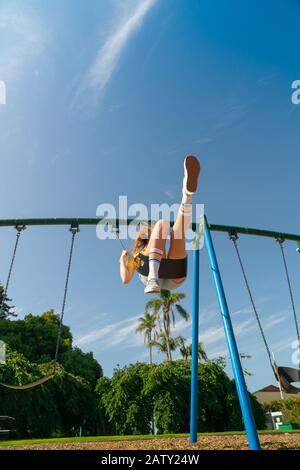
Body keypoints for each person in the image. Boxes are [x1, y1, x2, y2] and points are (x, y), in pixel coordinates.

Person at [119, 155, 201, 294]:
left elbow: (126, 279)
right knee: (168, 227)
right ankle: (187, 197)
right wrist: (123, 259)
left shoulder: (137, 254)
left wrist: (122, 259)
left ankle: (187, 196)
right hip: (174, 276)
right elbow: (125, 280)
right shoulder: (136, 255)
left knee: (172, 229)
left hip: (168, 273)